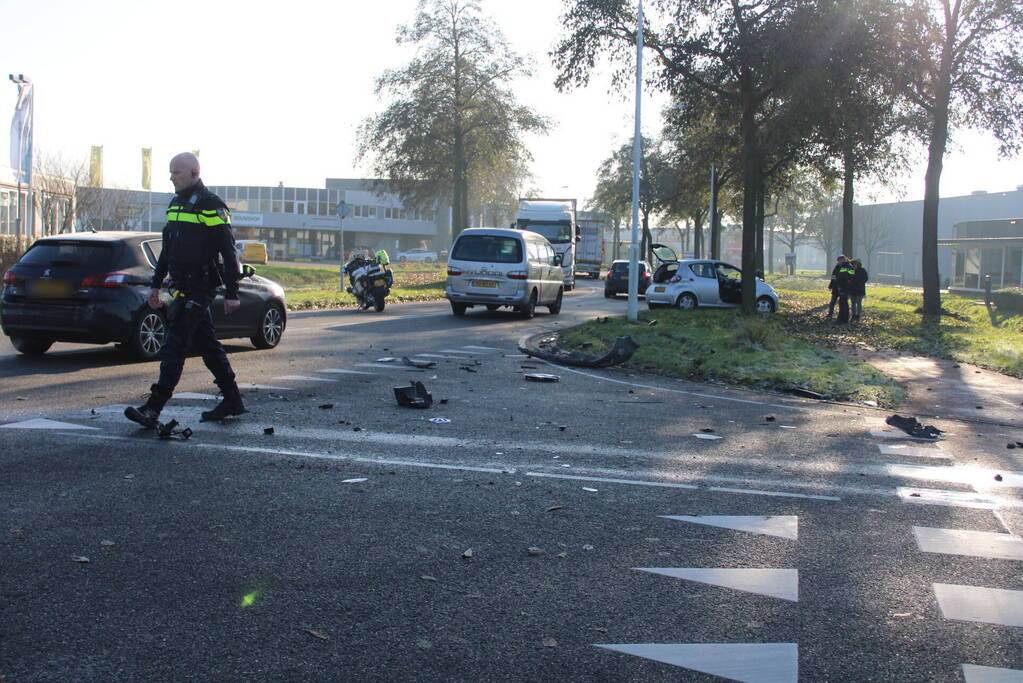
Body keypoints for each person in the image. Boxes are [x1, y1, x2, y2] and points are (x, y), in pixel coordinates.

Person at [124, 152, 245, 428]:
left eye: (176, 173)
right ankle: (232, 400)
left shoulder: (211, 205)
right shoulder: (176, 204)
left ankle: (153, 409)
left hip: (201, 287)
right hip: (181, 286)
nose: (171, 177)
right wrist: (156, 284)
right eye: (170, 173)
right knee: (208, 347)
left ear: (194, 172)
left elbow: (228, 251)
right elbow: (168, 250)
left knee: (174, 346)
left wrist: (232, 292)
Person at [834, 259, 856, 324]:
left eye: (839, 261)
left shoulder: (846, 267)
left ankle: (843, 319)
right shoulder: (847, 266)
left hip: (845, 287)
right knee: (843, 303)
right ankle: (842, 318)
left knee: (843, 303)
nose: (838, 262)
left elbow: (843, 277)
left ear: (842, 261)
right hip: (844, 287)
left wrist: (838, 281)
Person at [826, 255, 849, 319]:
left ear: (844, 260)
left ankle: (842, 316)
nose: (839, 261)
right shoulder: (837, 267)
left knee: (842, 303)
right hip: (836, 287)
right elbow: (833, 276)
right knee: (832, 302)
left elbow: (849, 275)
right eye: (839, 260)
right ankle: (830, 313)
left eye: (841, 260)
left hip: (843, 287)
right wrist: (831, 284)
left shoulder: (848, 266)